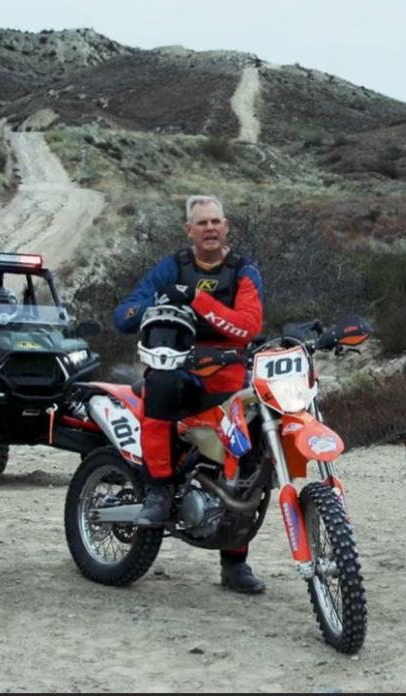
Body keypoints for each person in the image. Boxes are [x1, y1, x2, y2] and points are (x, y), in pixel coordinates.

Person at [112, 194, 267, 594]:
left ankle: (235, 565)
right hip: (178, 370)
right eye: (202, 223)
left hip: (228, 377)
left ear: (227, 226)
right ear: (189, 230)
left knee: (247, 464)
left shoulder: (243, 271)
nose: (210, 228)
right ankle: (158, 490)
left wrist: (195, 299)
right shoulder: (172, 268)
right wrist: (152, 308)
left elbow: (247, 326)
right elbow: (125, 314)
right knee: (159, 383)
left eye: (216, 221)